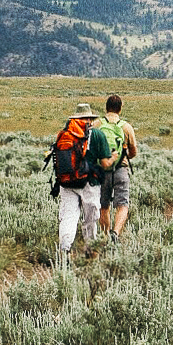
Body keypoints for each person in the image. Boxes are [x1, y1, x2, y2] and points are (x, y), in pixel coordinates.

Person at [54, 103, 113, 264]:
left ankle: (64, 251)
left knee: (68, 217)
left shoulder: (65, 134)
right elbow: (105, 163)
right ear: (90, 119)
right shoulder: (98, 135)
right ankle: (91, 252)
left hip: (66, 182)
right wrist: (114, 157)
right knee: (90, 219)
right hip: (90, 182)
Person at [98, 93, 139, 241]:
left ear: (106, 108)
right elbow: (134, 150)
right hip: (121, 169)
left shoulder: (97, 124)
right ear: (120, 109)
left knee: (104, 205)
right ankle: (116, 233)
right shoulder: (126, 127)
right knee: (123, 204)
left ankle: (105, 236)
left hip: (102, 170)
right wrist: (123, 157)